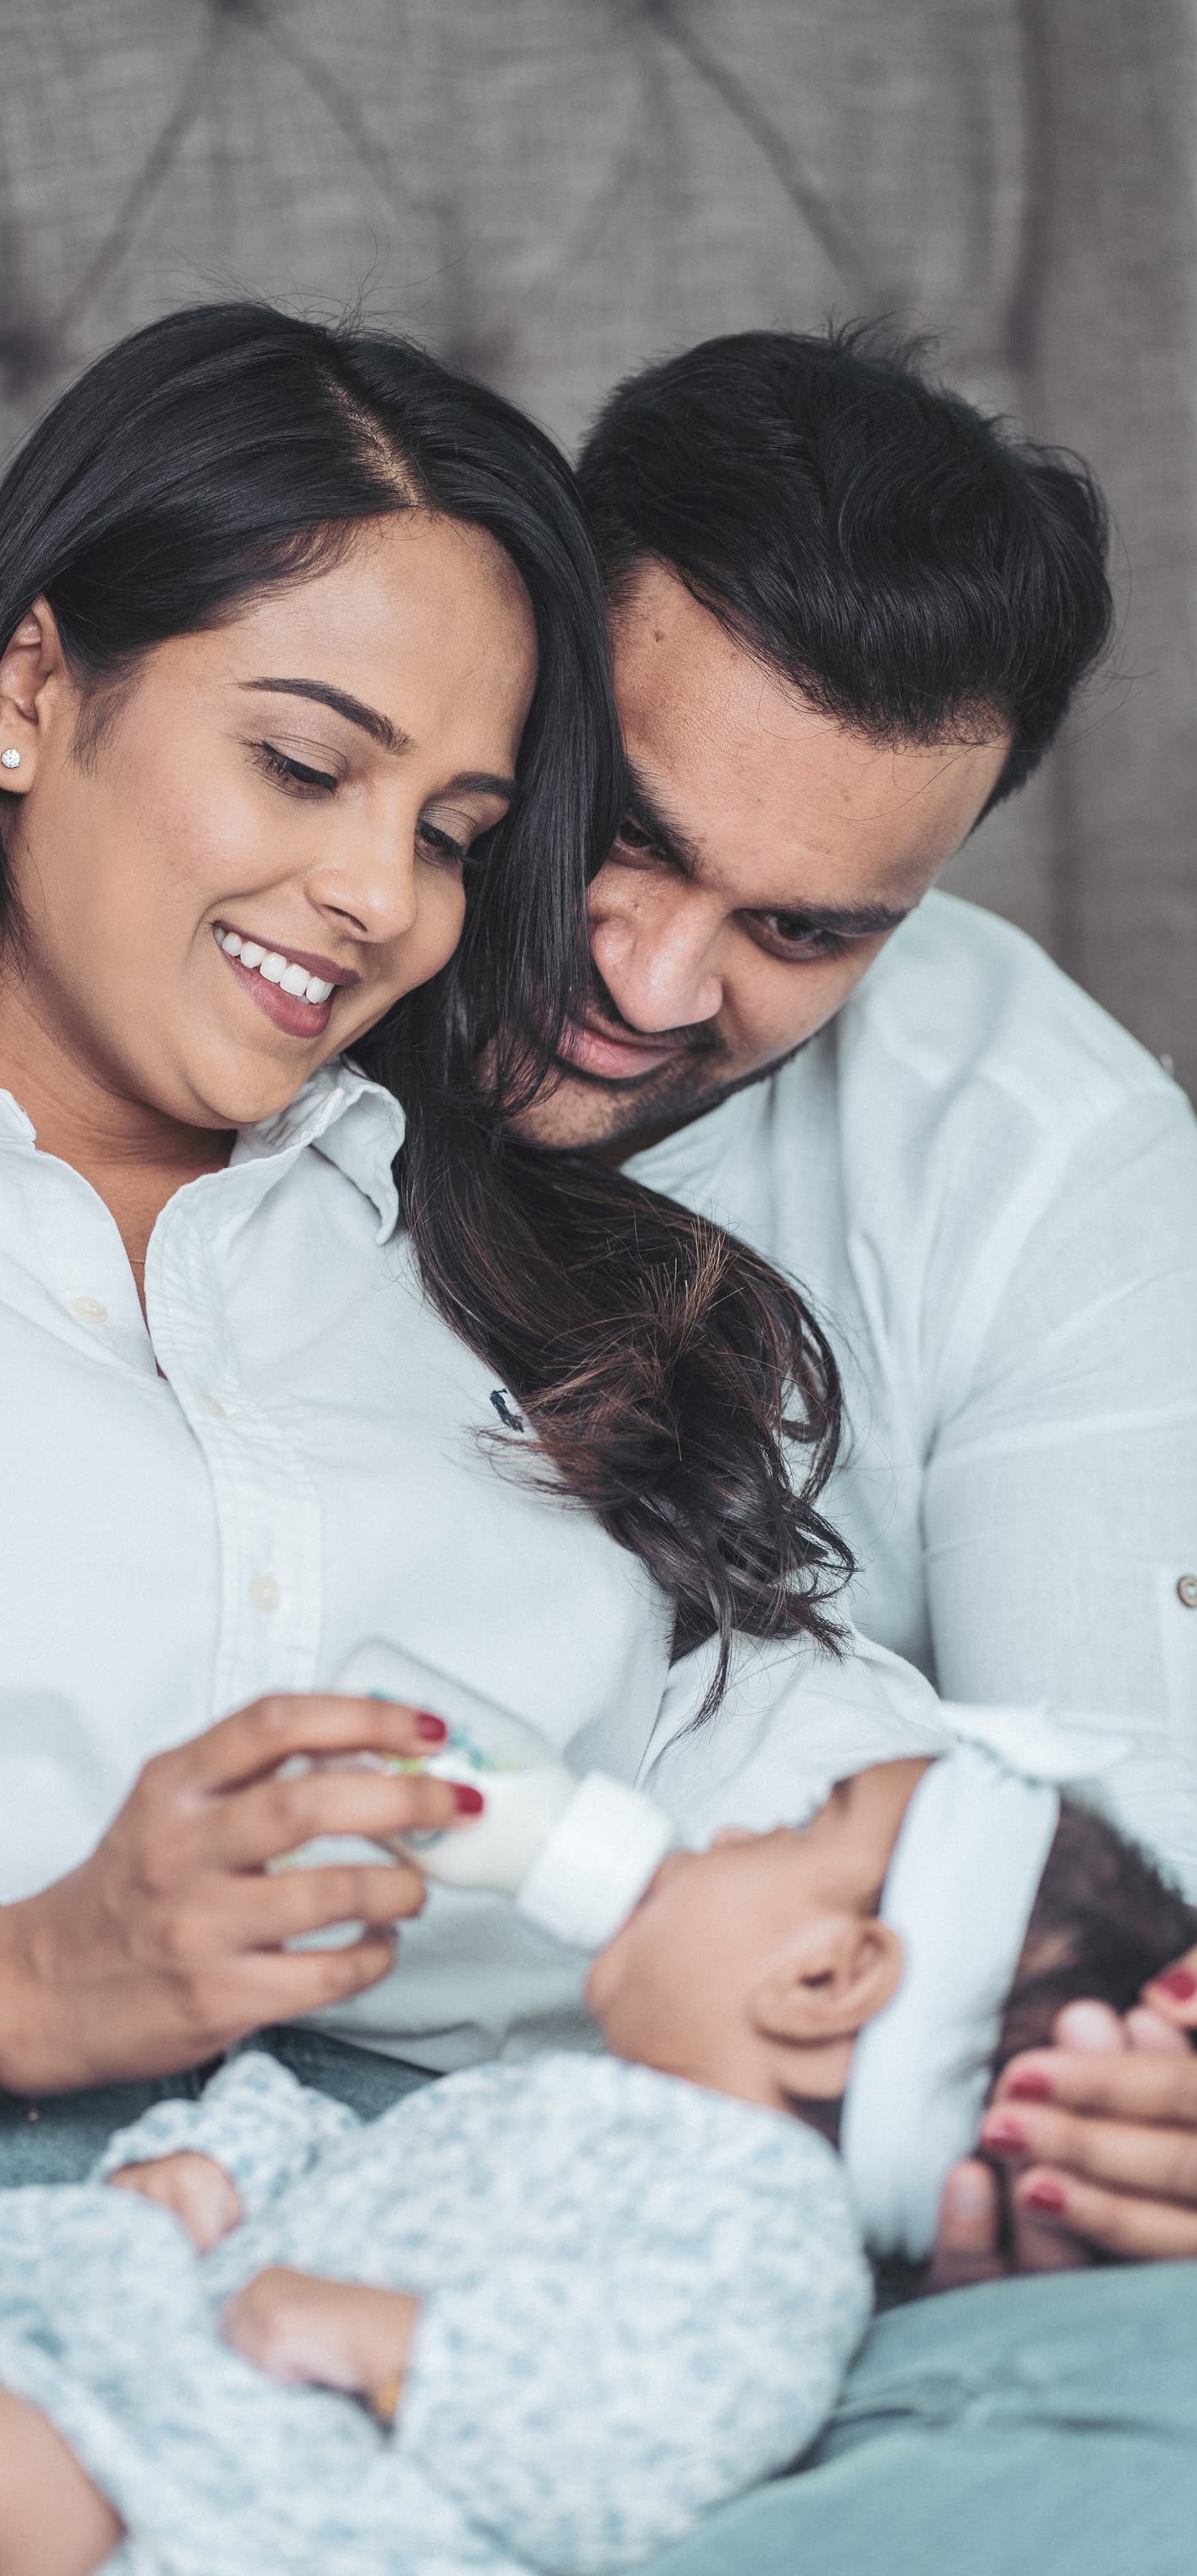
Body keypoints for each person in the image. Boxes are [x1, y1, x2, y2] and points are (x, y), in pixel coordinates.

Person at [0, 300, 966, 2568]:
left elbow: (897, 1822)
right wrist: (31, 1979)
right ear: (29, 690)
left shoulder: (561, 1301)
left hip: (440, 2292)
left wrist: (1103, 2042)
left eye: (457, 828)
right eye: (304, 764)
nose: (384, 895)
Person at [0, 1716, 1197, 2576]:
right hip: (188, 2379)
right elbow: (362, 2176)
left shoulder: (764, 2234)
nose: (712, 1836)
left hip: (286, 2507)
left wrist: (410, 2346)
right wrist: (217, 2167)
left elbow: (660, 2435)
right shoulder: (582, 2099)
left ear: (828, 1980)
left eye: (780, 1838)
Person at [524, 323, 1197, 2276]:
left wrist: (1143, 2098)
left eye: (802, 929)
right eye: (622, 837)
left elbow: (1124, 1804)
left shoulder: (1043, 1151)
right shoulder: (278, 956)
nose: (648, 983)